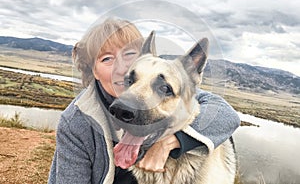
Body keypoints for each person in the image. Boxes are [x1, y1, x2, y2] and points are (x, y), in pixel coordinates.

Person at [48, 18, 240, 184]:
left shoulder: (182, 87)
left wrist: (174, 141)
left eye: (129, 54)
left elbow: (226, 114)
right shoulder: (76, 121)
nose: (120, 69)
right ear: (94, 71)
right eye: (107, 59)